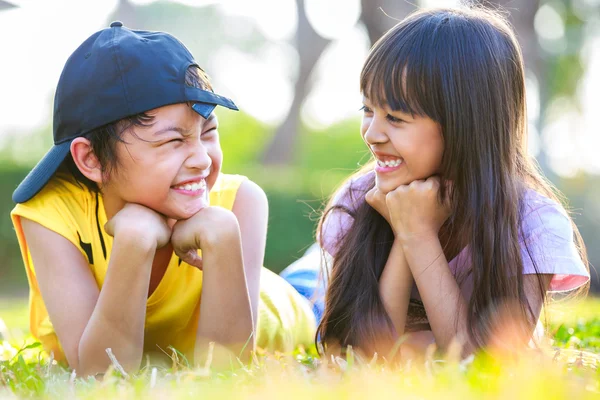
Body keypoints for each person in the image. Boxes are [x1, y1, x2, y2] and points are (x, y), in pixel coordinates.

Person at [10, 22, 316, 376]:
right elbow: (99, 375)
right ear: (91, 159)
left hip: (310, 304)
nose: (202, 158)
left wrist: (221, 234)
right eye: (173, 141)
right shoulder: (52, 218)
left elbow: (227, 372)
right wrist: (135, 242)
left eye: (209, 132)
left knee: (332, 274)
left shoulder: (239, 203)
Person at [314, 7, 590, 358]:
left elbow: (482, 364)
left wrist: (417, 233)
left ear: (465, 124)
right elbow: (359, 356)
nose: (371, 133)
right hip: (308, 287)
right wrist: (404, 229)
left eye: (395, 118)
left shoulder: (532, 224)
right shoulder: (360, 198)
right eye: (367, 110)